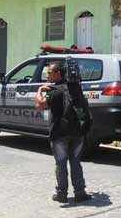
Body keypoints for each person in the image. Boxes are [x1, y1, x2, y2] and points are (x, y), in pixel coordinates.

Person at [35, 62, 92, 204]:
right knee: (75, 162)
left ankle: (61, 194)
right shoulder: (75, 87)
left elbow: (39, 105)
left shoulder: (54, 90)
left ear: (58, 73)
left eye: (49, 72)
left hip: (60, 133)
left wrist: (40, 90)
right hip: (77, 132)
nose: (46, 75)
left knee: (61, 163)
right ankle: (80, 193)